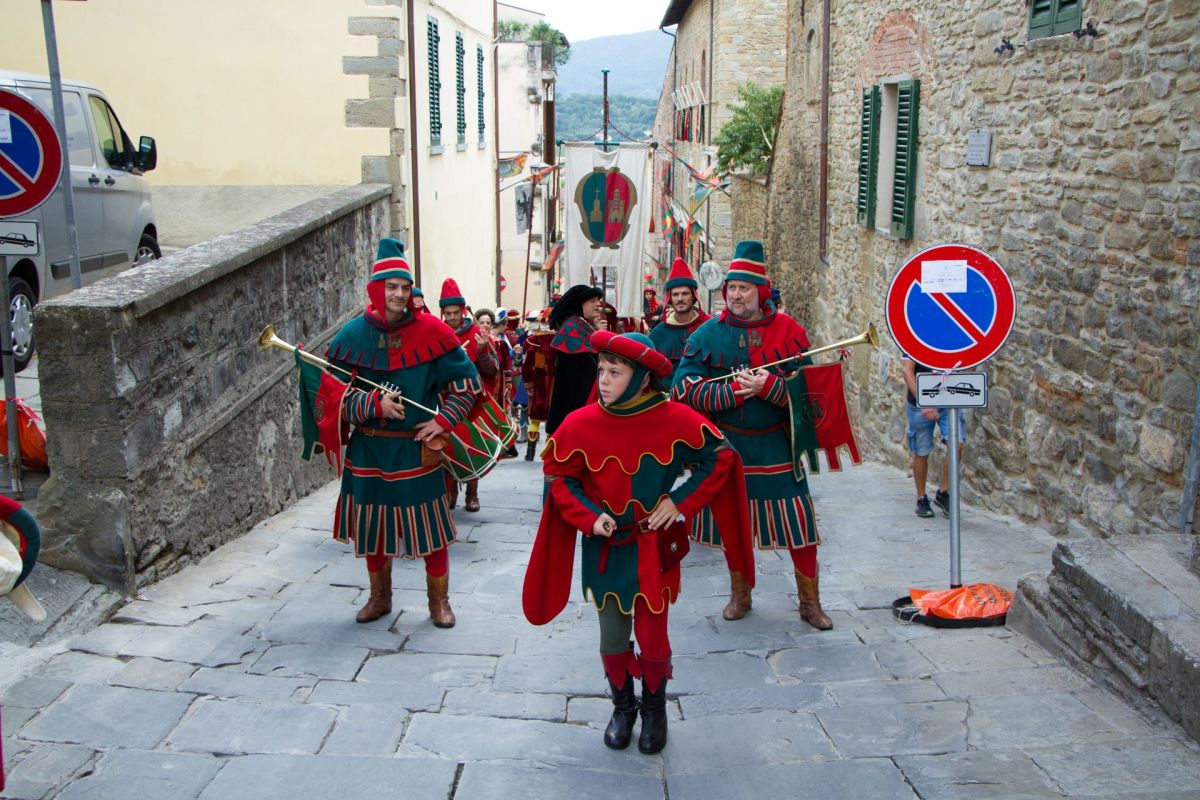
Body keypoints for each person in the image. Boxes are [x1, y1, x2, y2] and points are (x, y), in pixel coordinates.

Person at [524, 330, 753, 754]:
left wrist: (678, 501)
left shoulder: (675, 418)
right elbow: (559, 477)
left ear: (643, 378)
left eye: (615, 372)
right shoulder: (579, 423)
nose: (604, 380)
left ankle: (654, 709)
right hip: (605, 550)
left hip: (652, 547)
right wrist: (590, 517)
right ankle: (622, 708)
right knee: (612, 634)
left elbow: (721, 457)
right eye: (601, 370)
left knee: (652, 634)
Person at [673, 240, 834, 630]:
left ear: (761, 291)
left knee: (800, 524)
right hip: (729, 448)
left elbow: (810, 394)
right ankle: (740, 594)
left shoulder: (790, 331)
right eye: (731, 288)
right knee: (733, 524)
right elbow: (683, 388)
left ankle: (809, 603)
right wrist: (731, 393)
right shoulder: (707, 334)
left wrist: (771, 388)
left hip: (777, 445)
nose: (735, 295)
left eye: (743, 288)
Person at [324, 238, 482, 628]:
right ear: (376, 289)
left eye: (405, 287)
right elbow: (332, 395)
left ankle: (439, 603)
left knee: (432, 531)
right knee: (372, 528)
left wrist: (443, 421)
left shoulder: (432, 331)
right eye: (391, 286)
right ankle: (379, 598)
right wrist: (372, 406)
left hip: (416, 449)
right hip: (368, 450)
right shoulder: (350, 336)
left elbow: (467, 386)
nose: (399, 294)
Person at [440, 279, 499, 512]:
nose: (452, 317)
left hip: (471, 401)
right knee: (447, 446)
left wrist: (482, 351)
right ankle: (451, 491)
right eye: (448, 313)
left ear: (463, 310)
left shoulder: (477, 332)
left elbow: (492, 370)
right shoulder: (437, 332)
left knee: (471, 446)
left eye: (456, 312)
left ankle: (472, 493)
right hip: (445, 399)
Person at [902, 356, 966, 518]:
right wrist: (923, 402)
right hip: (920, 404)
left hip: (949, 399)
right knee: (921, 451)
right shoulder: (915, 340)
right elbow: (907, 371)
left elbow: (967, 362)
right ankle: (921, 498)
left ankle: (943, 493)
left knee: (957, 444)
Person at [545, 284, 605, 435]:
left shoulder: (580, 325)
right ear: (580, 304)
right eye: (592, 301)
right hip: (575, 410)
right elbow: (585, 378)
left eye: (598, 300)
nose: (598, 304)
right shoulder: (573, 329)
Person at [648, 257, 712, 383]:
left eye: (685, 293)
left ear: (693, 296)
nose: (680, 298)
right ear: (670, 299)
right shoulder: (658, 334)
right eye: (675, 294)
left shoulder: (709, 326)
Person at [521, 308, 555, 460]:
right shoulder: (561, 340)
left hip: (539, 384)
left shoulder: (533, 340)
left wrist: (528, 384)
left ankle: (530, 453)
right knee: (553, 417)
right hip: (556, 384)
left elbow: (527, 366)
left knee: (535, 417)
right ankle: (550, 454)